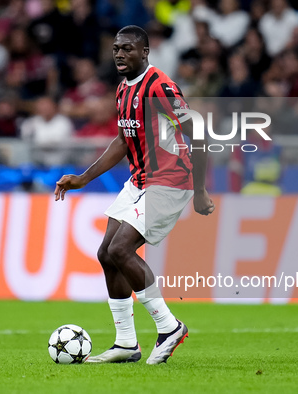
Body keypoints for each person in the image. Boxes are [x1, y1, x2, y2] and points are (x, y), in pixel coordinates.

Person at [54, 25, 214, 365]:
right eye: (116, 48)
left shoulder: (159, 86)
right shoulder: (123, 90)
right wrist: (83, 178)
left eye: (128, 48)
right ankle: (126, 343)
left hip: (170, 181)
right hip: (140, 180)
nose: (119, 54)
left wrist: (200, 189)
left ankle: (169, 327)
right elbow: (124, 140)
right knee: (106, 253)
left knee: (120, 247)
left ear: (145, 52)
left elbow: (196, 131)